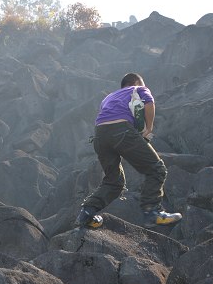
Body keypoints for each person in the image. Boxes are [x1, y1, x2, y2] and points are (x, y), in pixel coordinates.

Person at [75, 72, 181, 231]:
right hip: (121, 131)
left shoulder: (109, 97)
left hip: (100, 136)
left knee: (114, 181)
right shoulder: (138, 89)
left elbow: (107, 118)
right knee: (157, 169)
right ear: (137, 82)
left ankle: (87, 212)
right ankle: (153, 210)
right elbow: (149, 102)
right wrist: (149, 128)